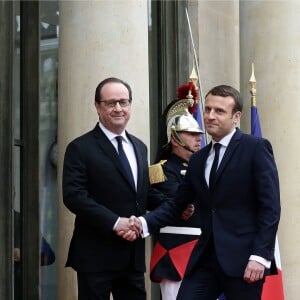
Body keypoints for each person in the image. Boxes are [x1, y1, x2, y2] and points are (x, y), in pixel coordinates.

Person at [131, 84, 281, 300]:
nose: (210, 116)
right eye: (208, 109)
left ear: (236, 117)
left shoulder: (255, 148)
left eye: (219, 111)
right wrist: (142, 224)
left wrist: (260, 256)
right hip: (205, 259)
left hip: (244, 259)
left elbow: (270, 208)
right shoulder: (199, 159)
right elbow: (176, 205)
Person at [62, 77, 165, 300]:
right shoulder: (80, 147)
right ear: (97, 106)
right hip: (95, 255)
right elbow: (74, 197)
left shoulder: (139, 146)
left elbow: (141, 193)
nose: (118, 108)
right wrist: (116, 223)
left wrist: (177, 203)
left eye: (124, 102)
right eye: (111, 103)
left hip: (132, 255)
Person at [149, 83, 203, 300]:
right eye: (190, 134)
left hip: (205, 254)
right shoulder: (161, 171)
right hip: (177, 253)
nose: (199, 138)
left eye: (198, 133)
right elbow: (171, 201)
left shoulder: (205, 167)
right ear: (175, 138)